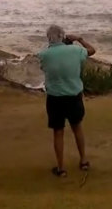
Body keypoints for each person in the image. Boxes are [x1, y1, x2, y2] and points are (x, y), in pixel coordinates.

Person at [38, 24, 96, 177]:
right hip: (73, 96)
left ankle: (61, 168)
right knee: (77, 127)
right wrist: (79, 39)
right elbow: (92, 50)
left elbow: (44, 67)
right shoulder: (76, 50)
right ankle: (83, 161)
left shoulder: (44, 54)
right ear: (63, 36)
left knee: (58, 131)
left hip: (55, 98)